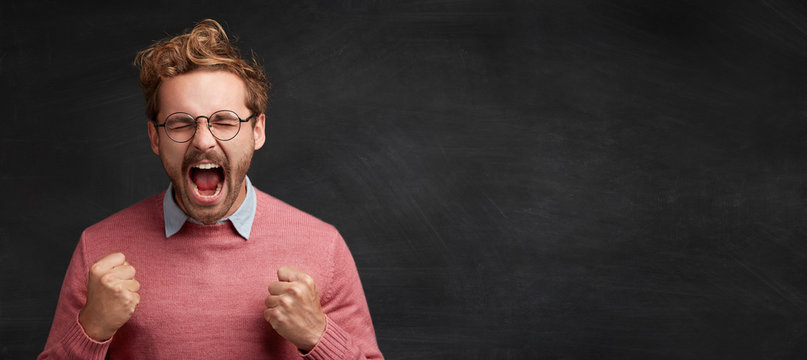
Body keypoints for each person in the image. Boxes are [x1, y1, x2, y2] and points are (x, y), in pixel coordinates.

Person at [38, 19, 383, 359]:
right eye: (180, 123)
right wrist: (91, 329)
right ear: (155, 138)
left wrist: (318, 337)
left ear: (258, 130)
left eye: (224, 121)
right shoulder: (98, 249)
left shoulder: (323, 246)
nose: (203, 141)